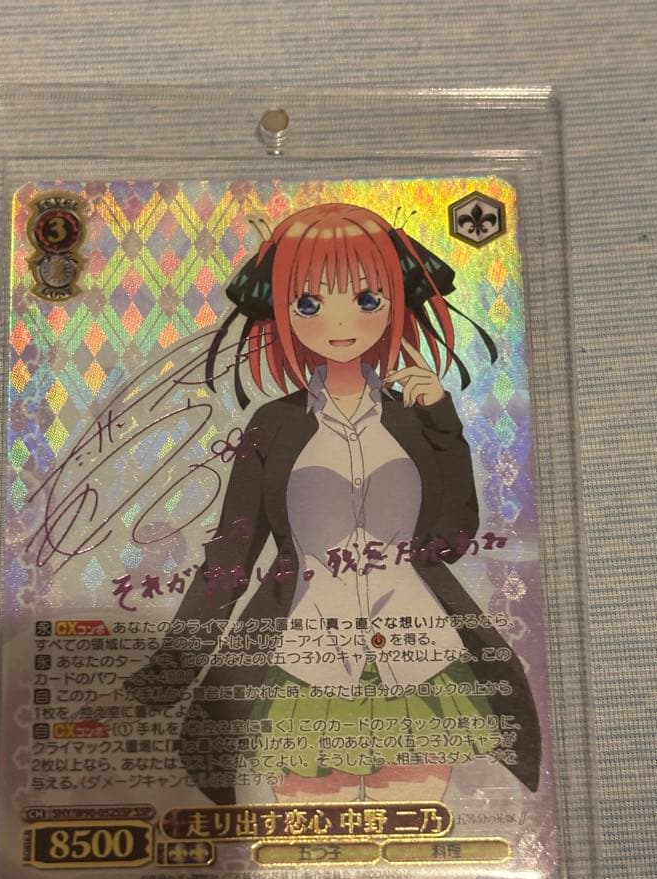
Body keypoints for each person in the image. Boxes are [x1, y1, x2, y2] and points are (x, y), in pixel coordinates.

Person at [126, 202, 540, 805]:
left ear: (395, 304)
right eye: (309, 303)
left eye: (368, 299)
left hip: (420, 655)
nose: (340, 322)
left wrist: (442, 425)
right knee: (307, 830)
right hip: (303, 660)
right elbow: (231, 557)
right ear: (283, 311)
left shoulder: (415, 419)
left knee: (415, 822)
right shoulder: (275, 424)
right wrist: (171, 670)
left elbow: (451, 540)